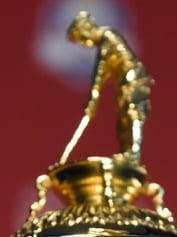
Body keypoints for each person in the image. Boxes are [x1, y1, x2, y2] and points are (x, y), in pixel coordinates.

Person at [61, 12, 153, 164]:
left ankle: (134, 153)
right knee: (123, 122)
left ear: (87, 28)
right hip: (124, 83)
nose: (84, 43)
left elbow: (100, 68)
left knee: (132, 113)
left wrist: (93, 97)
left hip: (134, 79)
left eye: (83, 38)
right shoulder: (104, 41)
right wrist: (93, 97)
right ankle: (128, 153)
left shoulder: (108, 37)